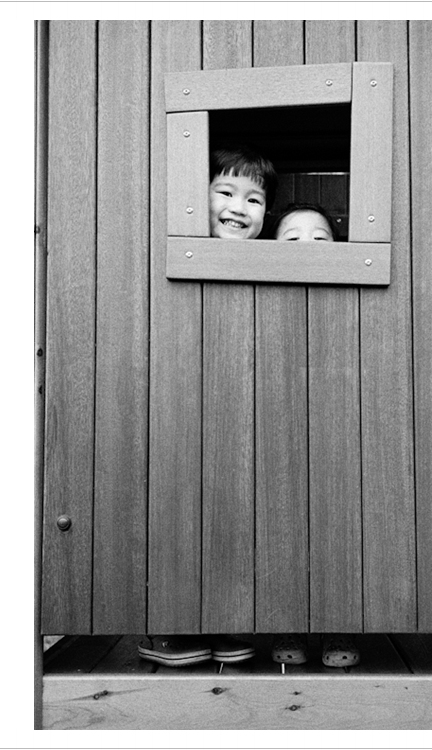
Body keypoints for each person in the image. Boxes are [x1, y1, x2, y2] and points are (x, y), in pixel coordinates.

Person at [138, 145, 277, 668]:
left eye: (254, 199)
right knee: (172, 505)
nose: (238, 207)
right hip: (176, 395)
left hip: (240, 400)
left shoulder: (275, 260)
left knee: (234, 510)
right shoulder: (172, 248)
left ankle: (224, 618)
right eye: (225, 192)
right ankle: (166, 622)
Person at [269, 202, 361, 670]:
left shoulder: (348, 294)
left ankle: (341, 622)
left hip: (335, 417)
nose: (307, 245)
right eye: (292, 238)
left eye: (320, 238)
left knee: (338, 523)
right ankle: (283, 622)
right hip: (275, 419)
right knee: (278, 523)